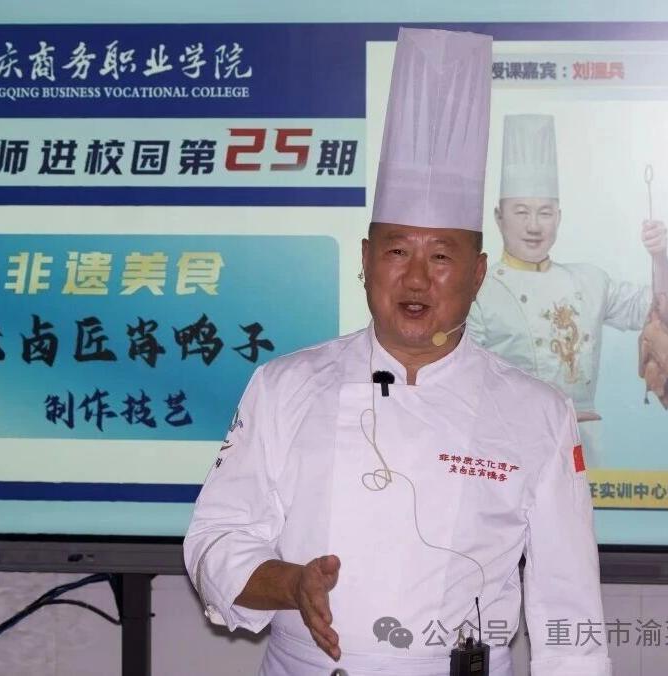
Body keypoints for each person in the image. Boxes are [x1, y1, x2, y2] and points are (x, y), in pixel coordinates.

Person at [184, 29, 612, 676]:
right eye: (395, 251)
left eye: (440, 257)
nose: (415, 278)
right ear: (365, 260)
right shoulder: (284, 385)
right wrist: (292, 583)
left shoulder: (538, 412)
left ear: (478, 273)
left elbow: (568, 611)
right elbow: (214, 541)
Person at [467, 114, 668, 466]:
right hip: (510, 445)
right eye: (521, 212)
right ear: (498, 217)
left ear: (559, 216)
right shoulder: (478, 292)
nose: (534, 226)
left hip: (583, 444)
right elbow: (463, 381)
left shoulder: (590, 281)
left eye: (545, 213)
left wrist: (659, 256)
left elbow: (666, 309)